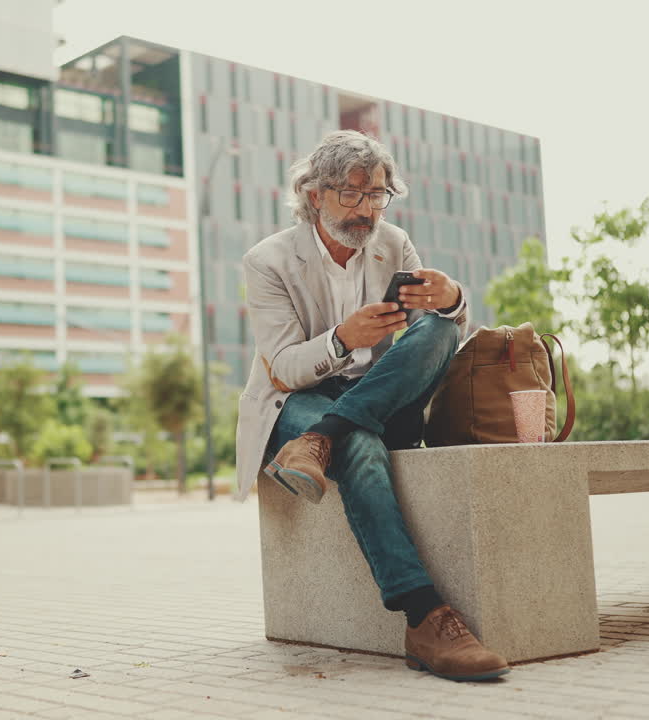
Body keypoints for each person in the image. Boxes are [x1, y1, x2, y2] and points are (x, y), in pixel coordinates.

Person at [234, 130, 509, 681]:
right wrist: (343, 338)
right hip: (298, 399)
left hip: (384, 399)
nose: (367, 210)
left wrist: (451, 300)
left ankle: (320, 440)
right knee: (359, 445)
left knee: (435, 331)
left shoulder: (393, 243)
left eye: (377, 195)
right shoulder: (267, 262)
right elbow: (283, 366)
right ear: (316, 195)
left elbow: (432, 340)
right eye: (352, 195)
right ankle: (425, 616)